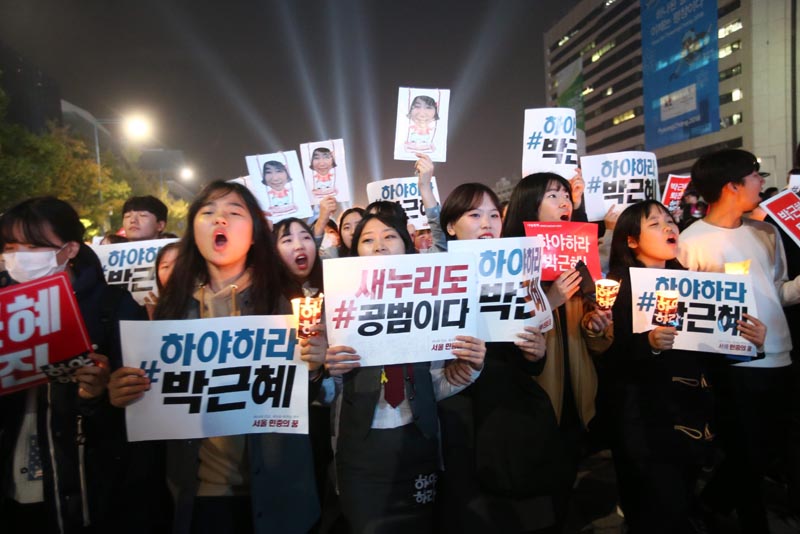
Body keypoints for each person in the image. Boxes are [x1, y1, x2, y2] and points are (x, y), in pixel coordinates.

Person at [108, 181, 321, 534]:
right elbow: (153, 395)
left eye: (234, 213)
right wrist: (125, 392)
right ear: (194, 230)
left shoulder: (289, 302)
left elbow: (303, 397)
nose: (219, 220)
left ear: (255, 233)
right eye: (207, 213)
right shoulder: (169, 310)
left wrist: (314, 367)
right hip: (198, 496)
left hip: (279, 495)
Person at [603, 200, 765, 533]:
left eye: (670, 220)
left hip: (692, 411)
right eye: (655, 224)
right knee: (657, 506)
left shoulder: (696, 284)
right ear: (631, 240)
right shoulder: (617, 288)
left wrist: (751, 342)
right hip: (645, 418)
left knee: (682, 493)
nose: (669, 227)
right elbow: (608, 355)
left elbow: (717, 349)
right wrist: (647, 344)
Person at [0, 196, 159, 533]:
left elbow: (144, 405)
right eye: (11, 246)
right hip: (14, 485)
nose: (19, 257)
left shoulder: (112, 306)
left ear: (70, 249)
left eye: (34, 246)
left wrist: (100, 394)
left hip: (90, 485)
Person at [425, 177, 575, 533]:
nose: (487, 224)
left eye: (494, 215)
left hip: (513, 413)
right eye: (475, 215)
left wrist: (536, 351)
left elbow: (532, 351)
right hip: (461, 410)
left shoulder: (518, 269)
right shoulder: (433, 275)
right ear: (451, 225)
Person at [324, 212, 486, 533]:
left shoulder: (431, 298)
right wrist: (326, 370)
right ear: (355, 251)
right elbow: (328, 394)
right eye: (367, 239)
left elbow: (436, 384)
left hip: (418, 443)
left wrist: (470, 367)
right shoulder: (337, 307)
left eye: (389, 236)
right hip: (361, 454)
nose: (379, 246)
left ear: (406, 246)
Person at [678, 149, 800, 533]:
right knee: (747, 452)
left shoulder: (765, 232)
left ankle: (711, 503)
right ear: (731, 186)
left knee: (774, 448)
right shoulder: (690, 241)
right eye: (754, 176)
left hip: (782, 354)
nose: (761, 181)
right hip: (734, 364)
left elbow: (778, 289)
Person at [502, 172, 614, 527]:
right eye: (553, 195)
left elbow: (596, 340)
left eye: (566, 196)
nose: (565, 202)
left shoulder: (580, 261)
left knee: (563, 488)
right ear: (528, 205)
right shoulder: (510, 260)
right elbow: (503, 333)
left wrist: (597, 328)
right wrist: (549, 301)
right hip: (531, 401)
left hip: (575, 399)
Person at [143, 241, 180, 320]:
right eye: (165, 266)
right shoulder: (156, 310)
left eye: (179, 265)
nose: (172, 272)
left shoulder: (203, 302)